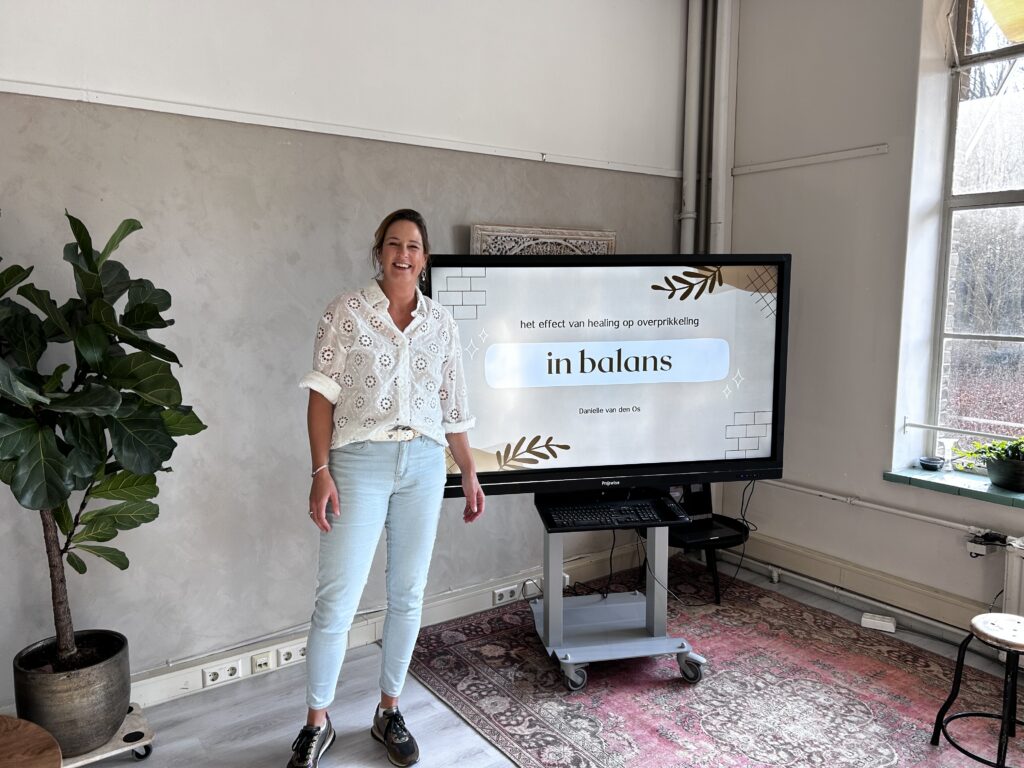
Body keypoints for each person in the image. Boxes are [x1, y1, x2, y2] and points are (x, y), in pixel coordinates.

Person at [287, 209, 485, 768]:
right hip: (358, 464)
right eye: (394, 244)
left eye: (413, 246)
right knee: (337, 599)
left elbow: (453, 408)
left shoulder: (442, 324)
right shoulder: (346, 311)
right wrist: (320, 472)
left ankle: (389, 710)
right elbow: (321, 398)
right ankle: (316, 722)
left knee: (408, 594)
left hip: (424, 464)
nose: (403, 254)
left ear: (425, 258)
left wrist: (468, 470)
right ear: (379, 252)